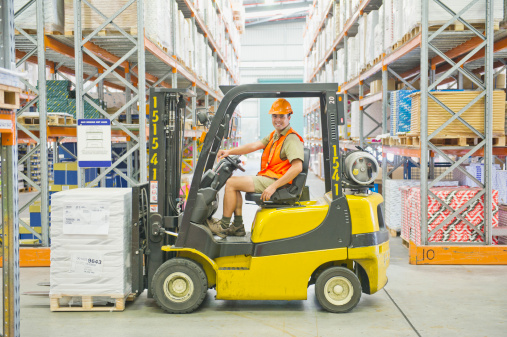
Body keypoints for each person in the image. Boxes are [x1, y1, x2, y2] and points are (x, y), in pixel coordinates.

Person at [208, 98, 304, 237]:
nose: (278, 119)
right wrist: (229, 152)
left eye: (282, 116)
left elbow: (297, 168)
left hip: (278, 182)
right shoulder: (275, 135)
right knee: (234, 184)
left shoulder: (291, 139)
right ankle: (237, 226)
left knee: (231, 183)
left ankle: (223, 226)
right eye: (275, 116)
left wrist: (273, 187)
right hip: (271, 177)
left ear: (289, 117)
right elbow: (254, 145)